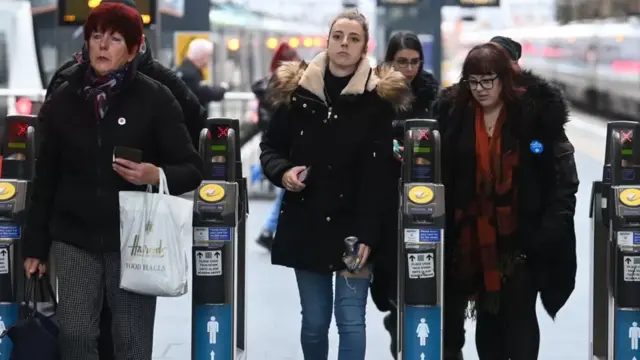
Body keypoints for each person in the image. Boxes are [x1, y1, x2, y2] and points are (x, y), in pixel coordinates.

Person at [21, 3, 203, 359]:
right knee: (74, 333)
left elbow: (191, 167)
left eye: (115, 39)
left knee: (131, 341)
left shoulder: (155, 98)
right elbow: (46, 179)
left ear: (133, 49)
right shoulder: (63, 100)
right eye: (96, 36)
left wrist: (156, 173)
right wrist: (35, 247)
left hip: (134, 240)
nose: (103, 46)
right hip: (74, 238)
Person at [260, 9, 411, 360]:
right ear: (327, 41)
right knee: (314, 321)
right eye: (338, 36)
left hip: (354, 230)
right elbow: (271, 146)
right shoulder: (297, 95)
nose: (345, 44)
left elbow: (381, 178)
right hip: (307, 223)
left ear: (364, 47)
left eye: (354, 38)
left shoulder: (378, 102)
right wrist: (282, 172)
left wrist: (371, 235)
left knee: (350, 321)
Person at [431, 41, 578, 360]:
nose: (481, 89)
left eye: (488, 81)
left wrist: (547, 233)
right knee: (488, 322)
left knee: (520, 321)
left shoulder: (535, 116)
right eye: (473, 82)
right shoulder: (455, 116)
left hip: (523, 241)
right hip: (474, 242)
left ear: (504, 79)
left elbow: (564, 180)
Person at [45, 0, 207, 148]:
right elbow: (46, 139)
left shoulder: (163, 82)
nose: (105, 45)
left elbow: (197, 130)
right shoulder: (69, 79)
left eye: (117, 37)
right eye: (100, 33)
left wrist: (161, 171)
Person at [370, 30, 440, 358]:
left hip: (424, 194)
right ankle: (393, 314)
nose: (409, 69)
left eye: (414, 62)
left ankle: (406, 330)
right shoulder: (375, 93)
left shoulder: (434, 95)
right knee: (387, 272)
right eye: (402, 62)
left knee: (420, 268)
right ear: (390, 60)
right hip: (385, 194)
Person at [252, 42, 301, 251]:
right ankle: (267, 230)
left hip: (271, 145)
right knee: (285, 191)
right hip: (286, 147)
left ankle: (268, 230)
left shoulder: (267, 85)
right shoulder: (287, 89)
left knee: (284, 190)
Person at [175, 38, 229, 107]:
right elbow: (205, 93)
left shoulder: (180, 70)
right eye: (209, 56)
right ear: (202, 55)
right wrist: (223, 88)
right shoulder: (190, 74)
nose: (209, 60)